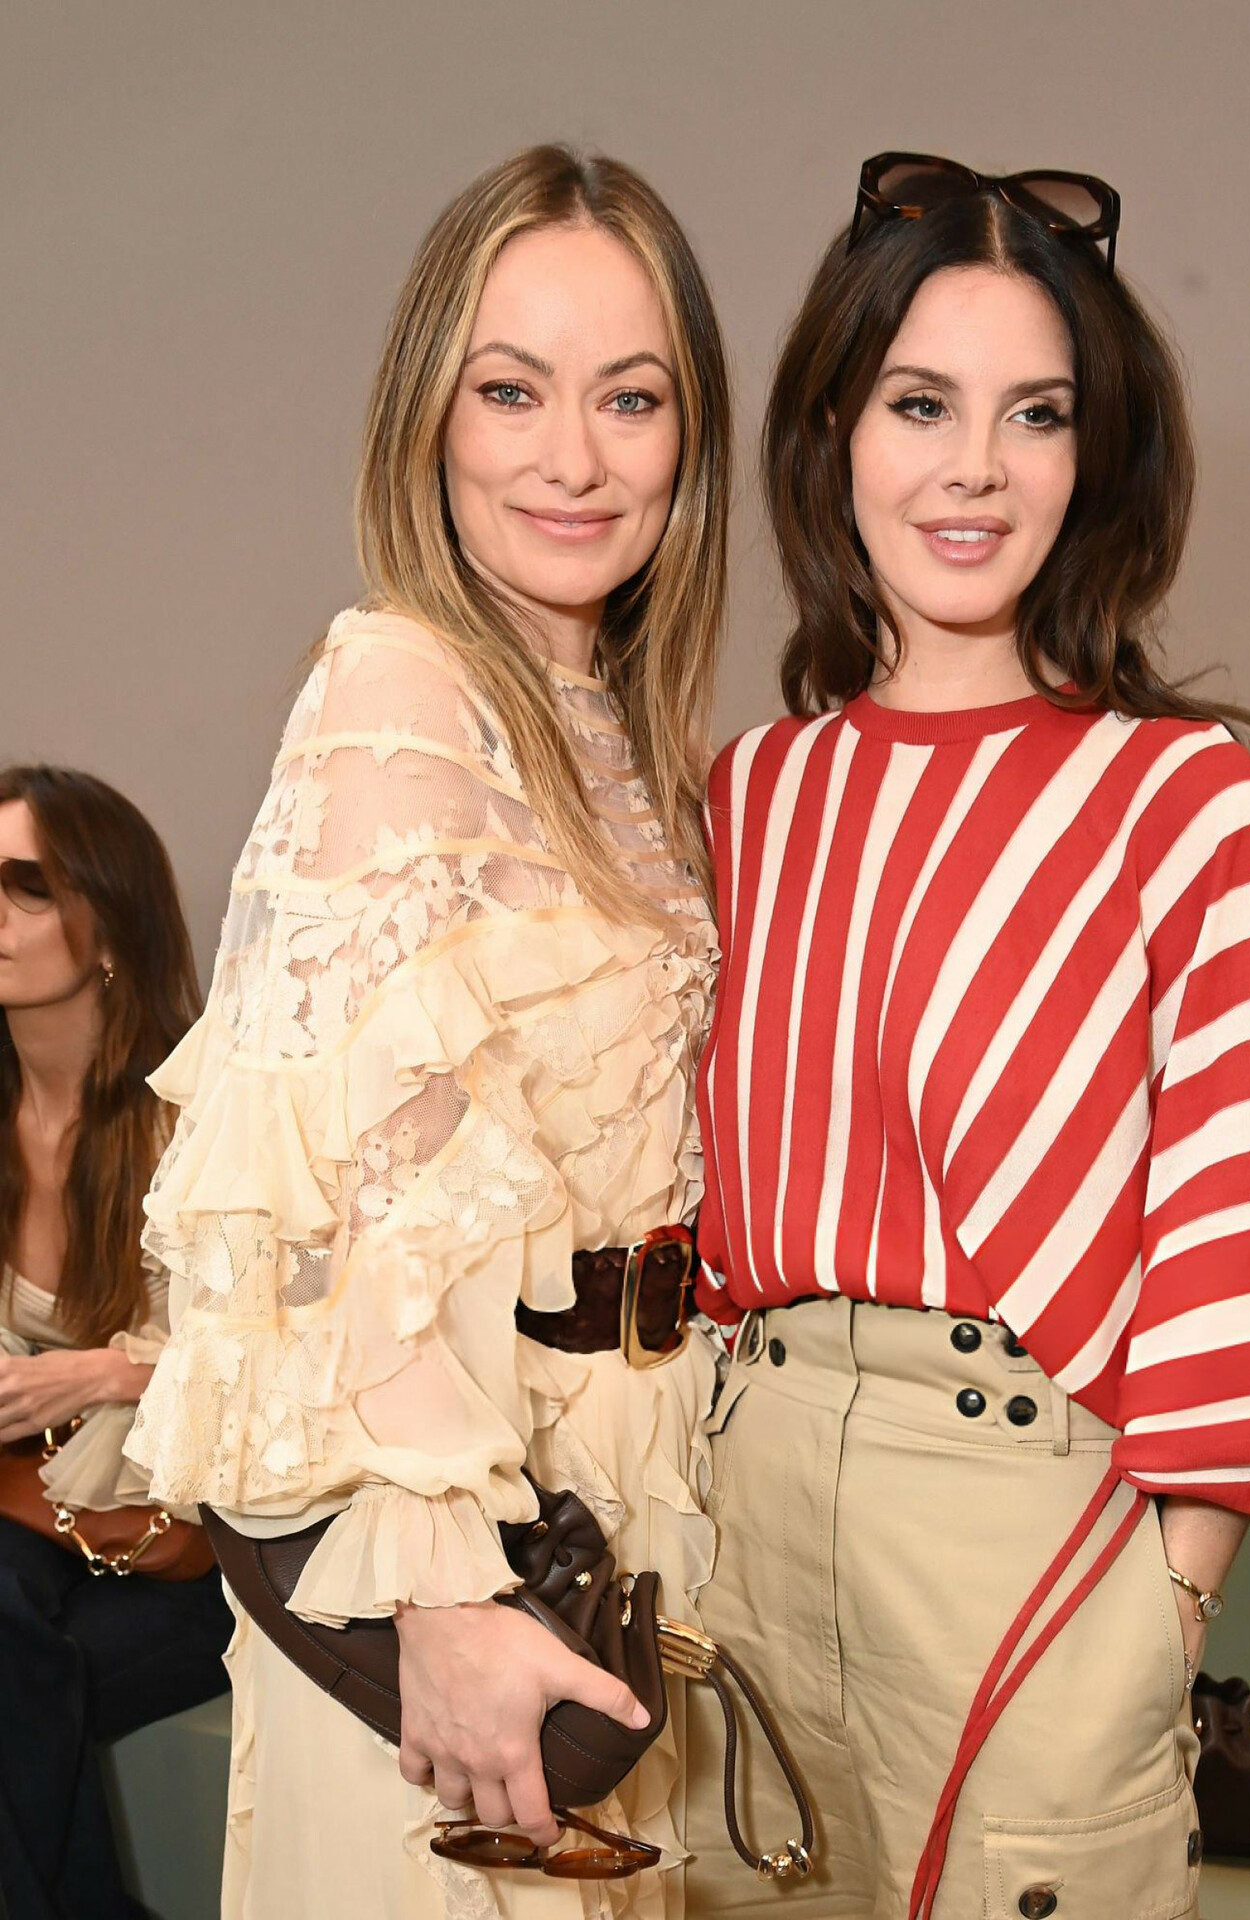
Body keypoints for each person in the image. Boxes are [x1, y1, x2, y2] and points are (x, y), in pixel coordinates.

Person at [686, 154, 1250, 1920]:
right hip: (734, 1519)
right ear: (833, 429)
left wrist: (1167, 1616)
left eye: (1038, 413)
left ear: (1096, 456)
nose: (976, 466)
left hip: (1028, 1540)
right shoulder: (755, 795)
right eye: (920, 403)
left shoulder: (1182, 799)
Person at [125, 145, 730, 1919]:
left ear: (688, 437)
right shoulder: (401, 687)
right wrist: (443, 1601)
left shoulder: (618, 726)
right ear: (427, 418)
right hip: (464, 1556)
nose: (573, 457)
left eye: (631, 397)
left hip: (616, 1498)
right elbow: (332, 1216)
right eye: (510, 390)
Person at [0, 763, 231, 1920]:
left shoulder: (208, 1117)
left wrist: (108, 1371)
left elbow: (298, 1361)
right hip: (23, 1528)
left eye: (24, 884)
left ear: (110, 923)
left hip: (180, 1550)